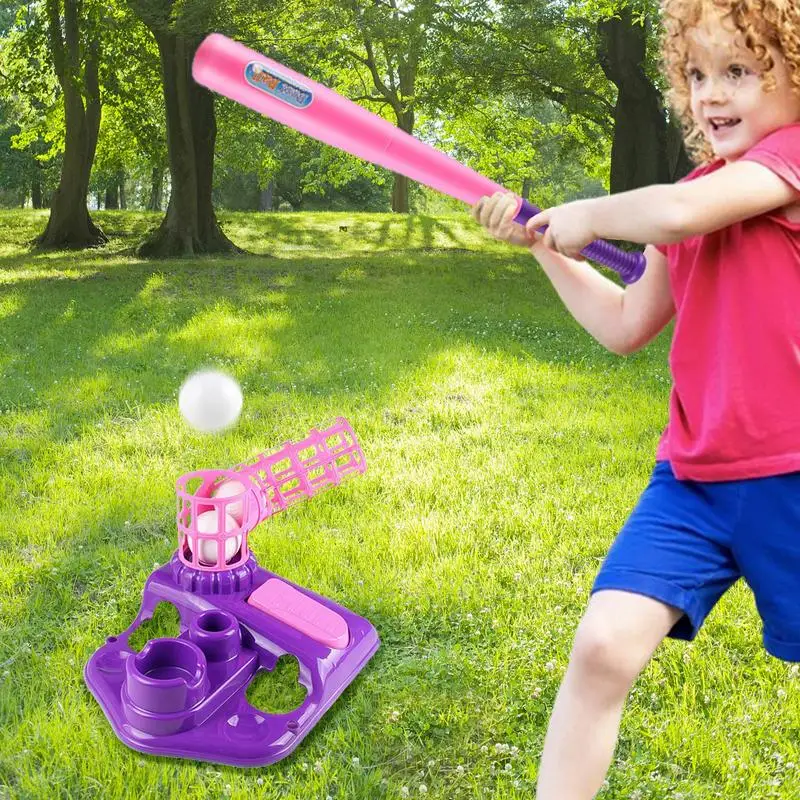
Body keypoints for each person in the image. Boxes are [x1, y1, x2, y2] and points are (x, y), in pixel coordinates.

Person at [472, 1, 800, 797]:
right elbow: (625, 325)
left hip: (792, 476)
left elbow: (680, 211)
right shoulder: (690, 192)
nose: (710, 95)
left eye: (738, 72)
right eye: (695, 75)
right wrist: (545, 245)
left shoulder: (789, 161)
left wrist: (589, 213)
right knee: (604, 647)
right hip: (693, 480)